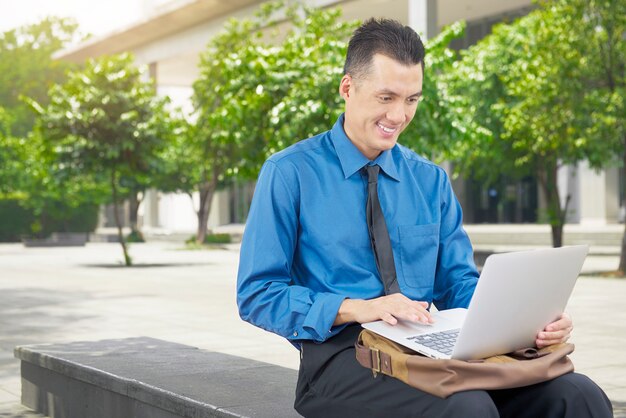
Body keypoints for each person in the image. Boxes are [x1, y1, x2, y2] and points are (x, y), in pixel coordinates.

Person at [236, 18, 612, 418]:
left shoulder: (429, 180)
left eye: (412, 99)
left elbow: (457, 282)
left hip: (431, 348)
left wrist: (522, 321)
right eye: (386, 98)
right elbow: (258, 294)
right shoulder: (289, 173)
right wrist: (354, 307)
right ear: (347, 88)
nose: (399, 115)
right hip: (341, 357)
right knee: (467, 408)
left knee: (578, 394)